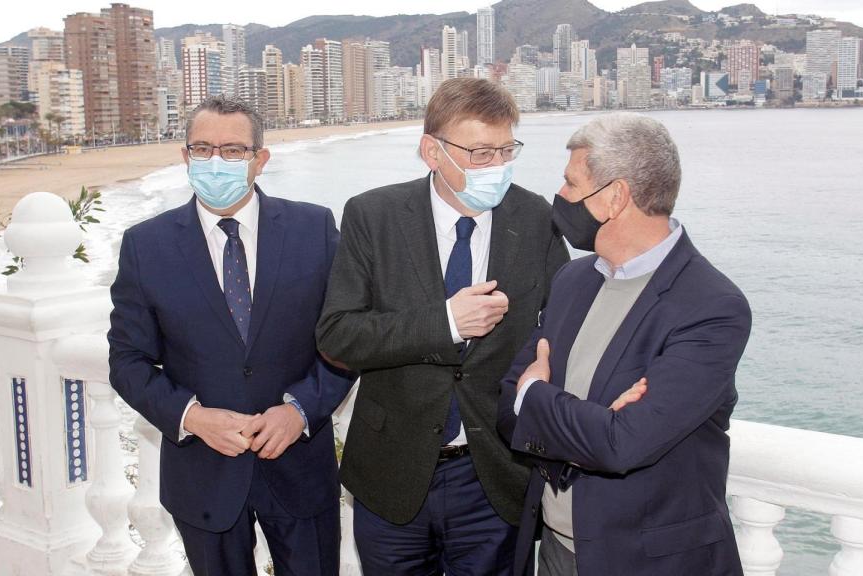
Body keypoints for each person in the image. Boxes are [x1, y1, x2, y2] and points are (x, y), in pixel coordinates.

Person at [315, 77, 570, 575]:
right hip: (392, 474)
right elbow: (337, 335)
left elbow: (562, 326)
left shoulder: (534, 216)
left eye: (505, 150)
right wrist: (445, 321)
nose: (496, 166)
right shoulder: (373, 215)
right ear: (432, 151)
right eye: (479, 153)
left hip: (495, 476)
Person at [108, 95, 353, 576]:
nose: (215, 161)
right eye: (202, 148)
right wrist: (191, 416)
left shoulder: (314, 228)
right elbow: (127, 362)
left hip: (300, 466)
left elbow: (345, 341)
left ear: (260, 160)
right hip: (203, 475)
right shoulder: (146, 245)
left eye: (233, 150)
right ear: (185, 157)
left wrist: (300, 409)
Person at [497, 113, 751, 575]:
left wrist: (536, 396)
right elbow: (506, 405)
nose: (560, 197)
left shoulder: (712, 306)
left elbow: (622, 445)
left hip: (646, 562)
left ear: (614, 197)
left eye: (571, 183)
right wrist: (587, 421)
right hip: (554, 552)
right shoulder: (573, 279)